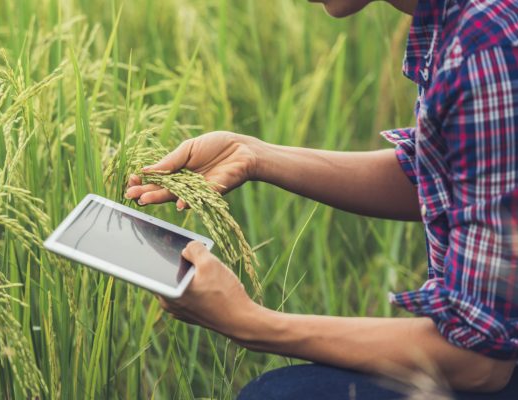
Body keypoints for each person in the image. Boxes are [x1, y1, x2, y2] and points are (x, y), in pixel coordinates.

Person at [124, 0, 518, 398]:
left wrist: (247, 322)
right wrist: (254, 155)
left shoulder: (484, 43)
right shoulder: (460, 22)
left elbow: (478, 361)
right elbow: (452, 177)